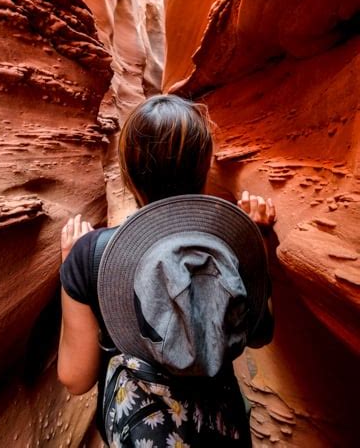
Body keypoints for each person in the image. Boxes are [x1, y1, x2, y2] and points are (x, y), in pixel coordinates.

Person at [58, 94, 275, 447]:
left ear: (128, 173)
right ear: (204, 166)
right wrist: (259, 246)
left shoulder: (90, 254)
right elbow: (259, 333)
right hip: (222, 430)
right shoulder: (235, 246)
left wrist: (71, 268)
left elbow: (75, 377)